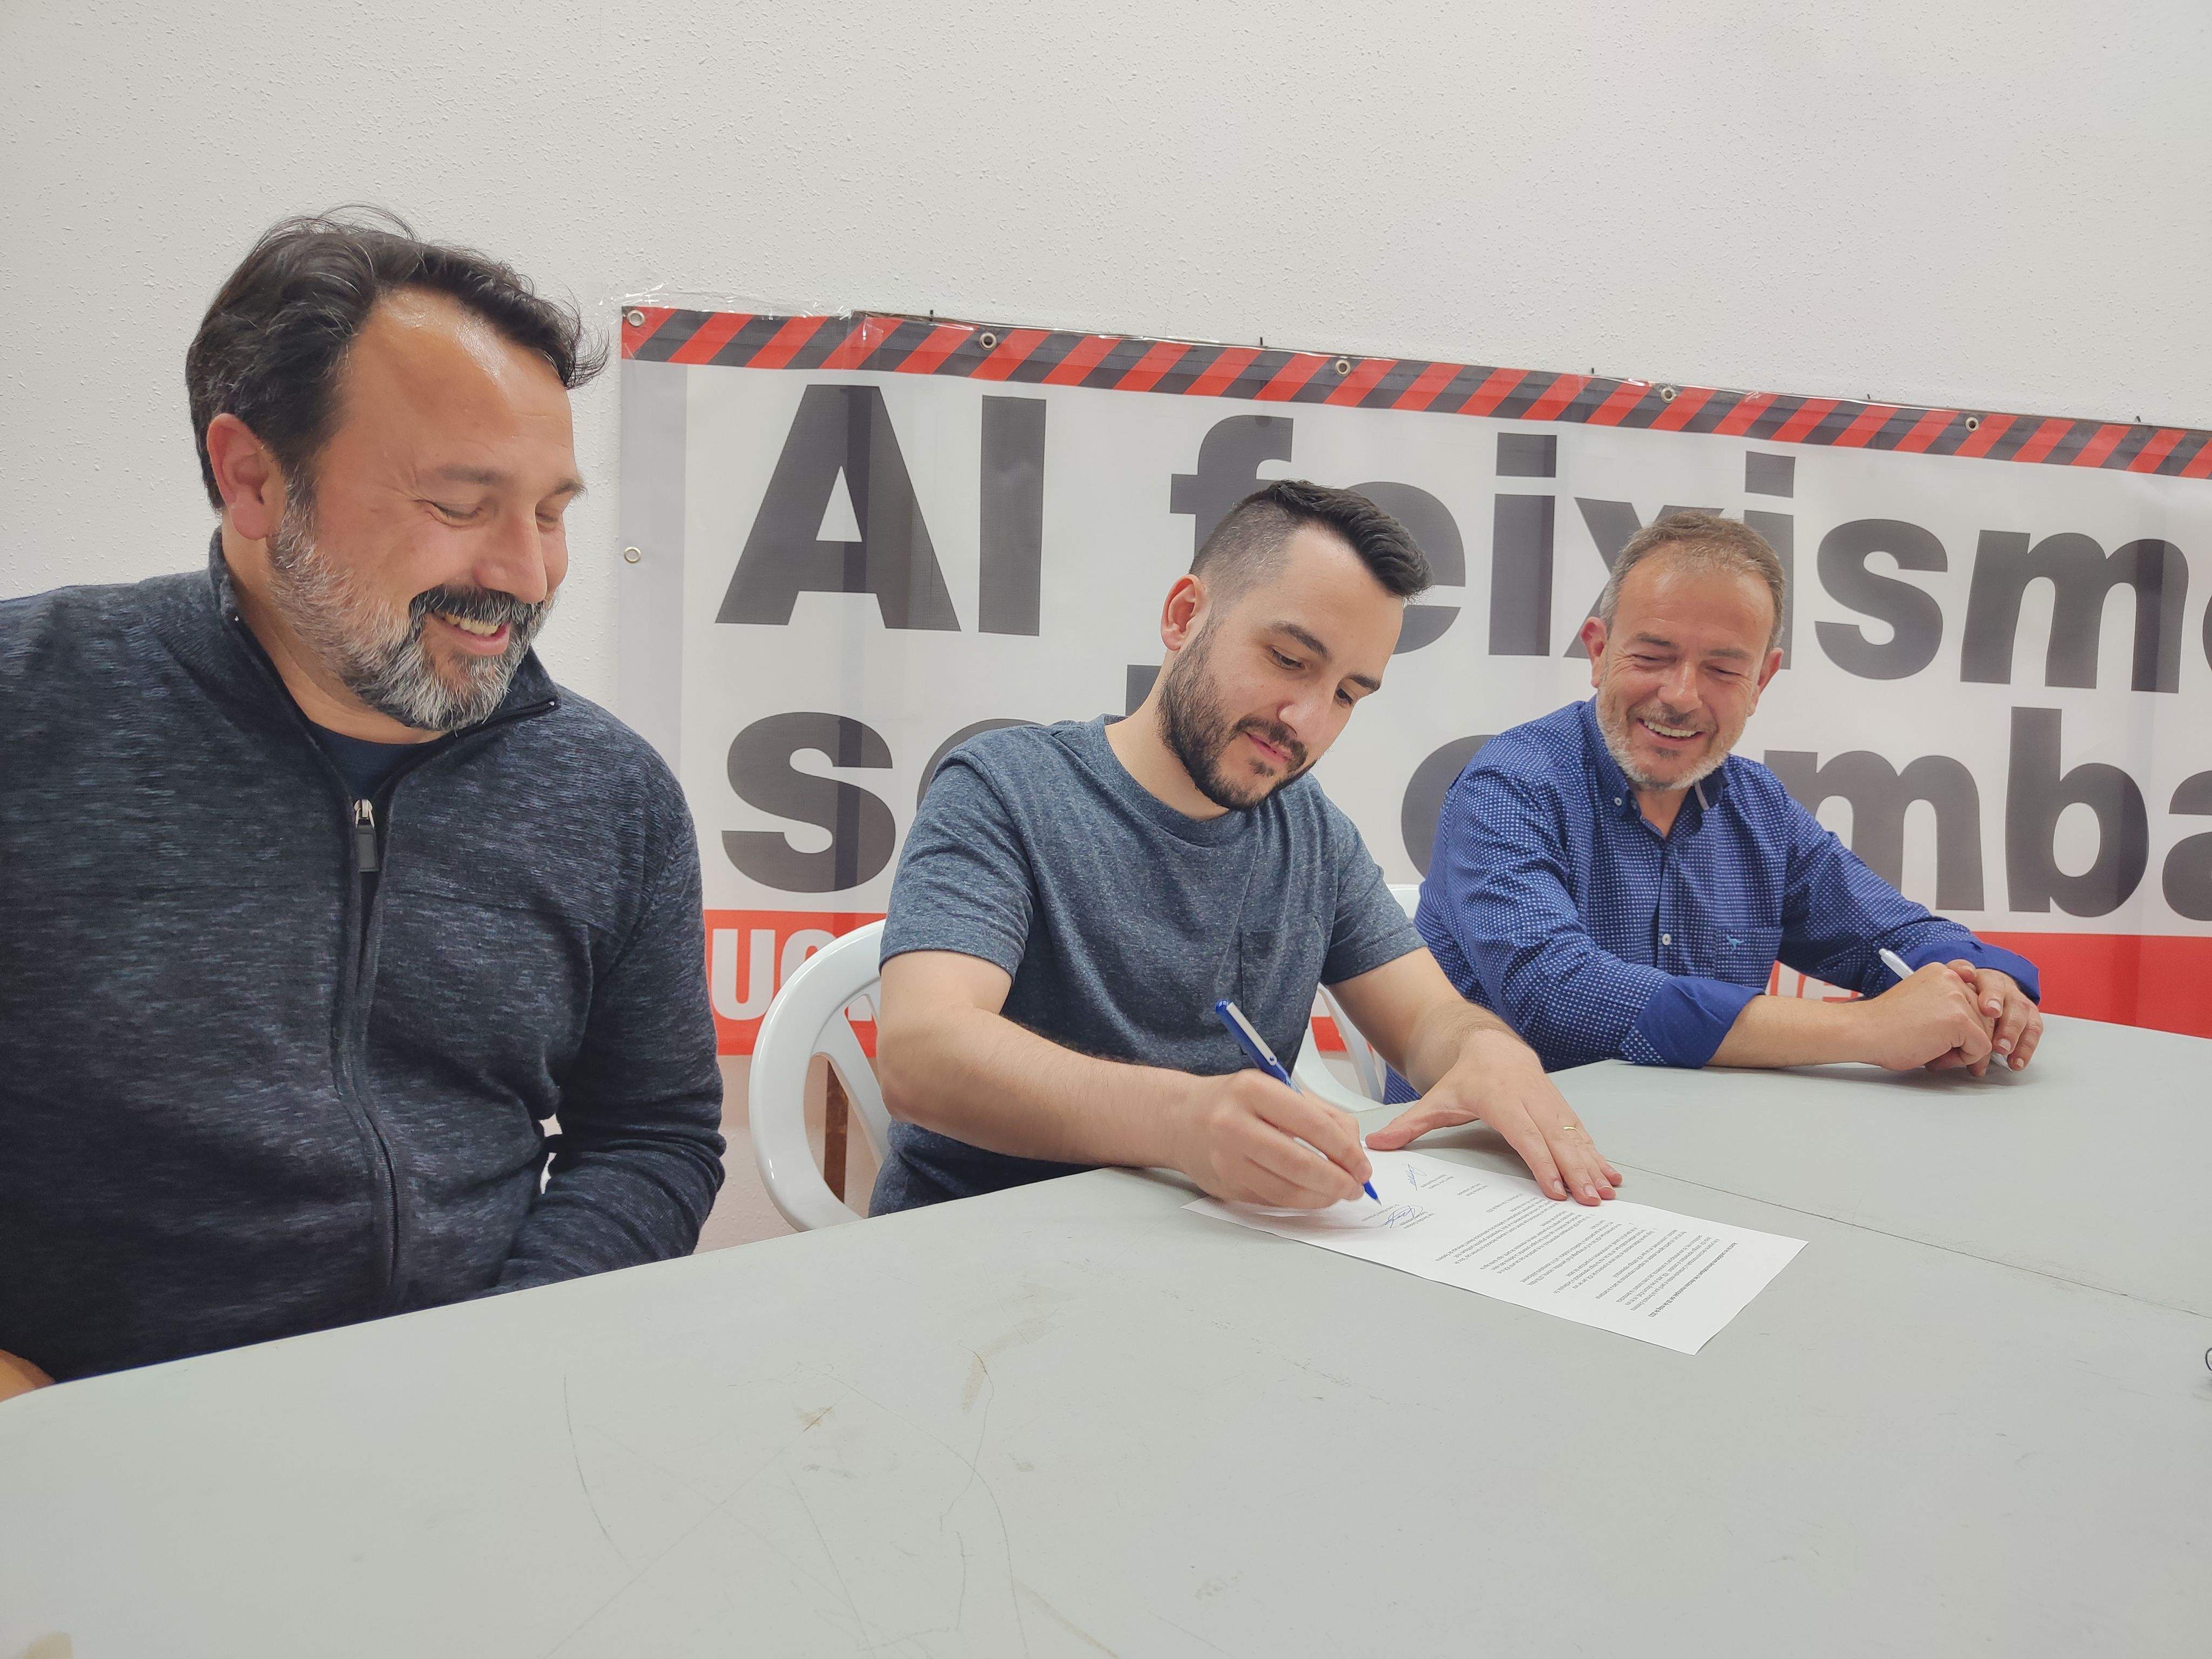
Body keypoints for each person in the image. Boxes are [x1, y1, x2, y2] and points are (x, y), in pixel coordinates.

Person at [0, 212, 725, 1398]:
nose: (528, 575)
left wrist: (499, 1356)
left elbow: (652, 1137)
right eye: (459, 504)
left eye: (551, 510)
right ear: (252, 478)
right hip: (78, 1444)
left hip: (470, 1417)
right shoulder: (27, 709)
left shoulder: (610, 793)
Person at [871, 481, 1623, 1218]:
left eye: (1347, 695)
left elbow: (1429, 1020)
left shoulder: (1309, 830)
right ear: (1184, 616)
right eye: (1290, 660)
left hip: (1210, 1267)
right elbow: (922, 1052)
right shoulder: (1005, 787)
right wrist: (1179, 1122)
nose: (1306, 720)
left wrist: (1484, 1049)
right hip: (978, 1256)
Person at [1414, 511, 2042, 1081]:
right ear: (1599, 651)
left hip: (1699, 1152)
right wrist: (1868, 1029)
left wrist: (1982, 985)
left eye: (1721, 670)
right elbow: (1559, 995)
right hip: (1491, 1164)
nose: (1682, 695)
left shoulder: (1757, 806)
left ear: (1761, 680)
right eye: (1653, 655)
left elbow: (1890, 935)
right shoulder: (1507, 787)